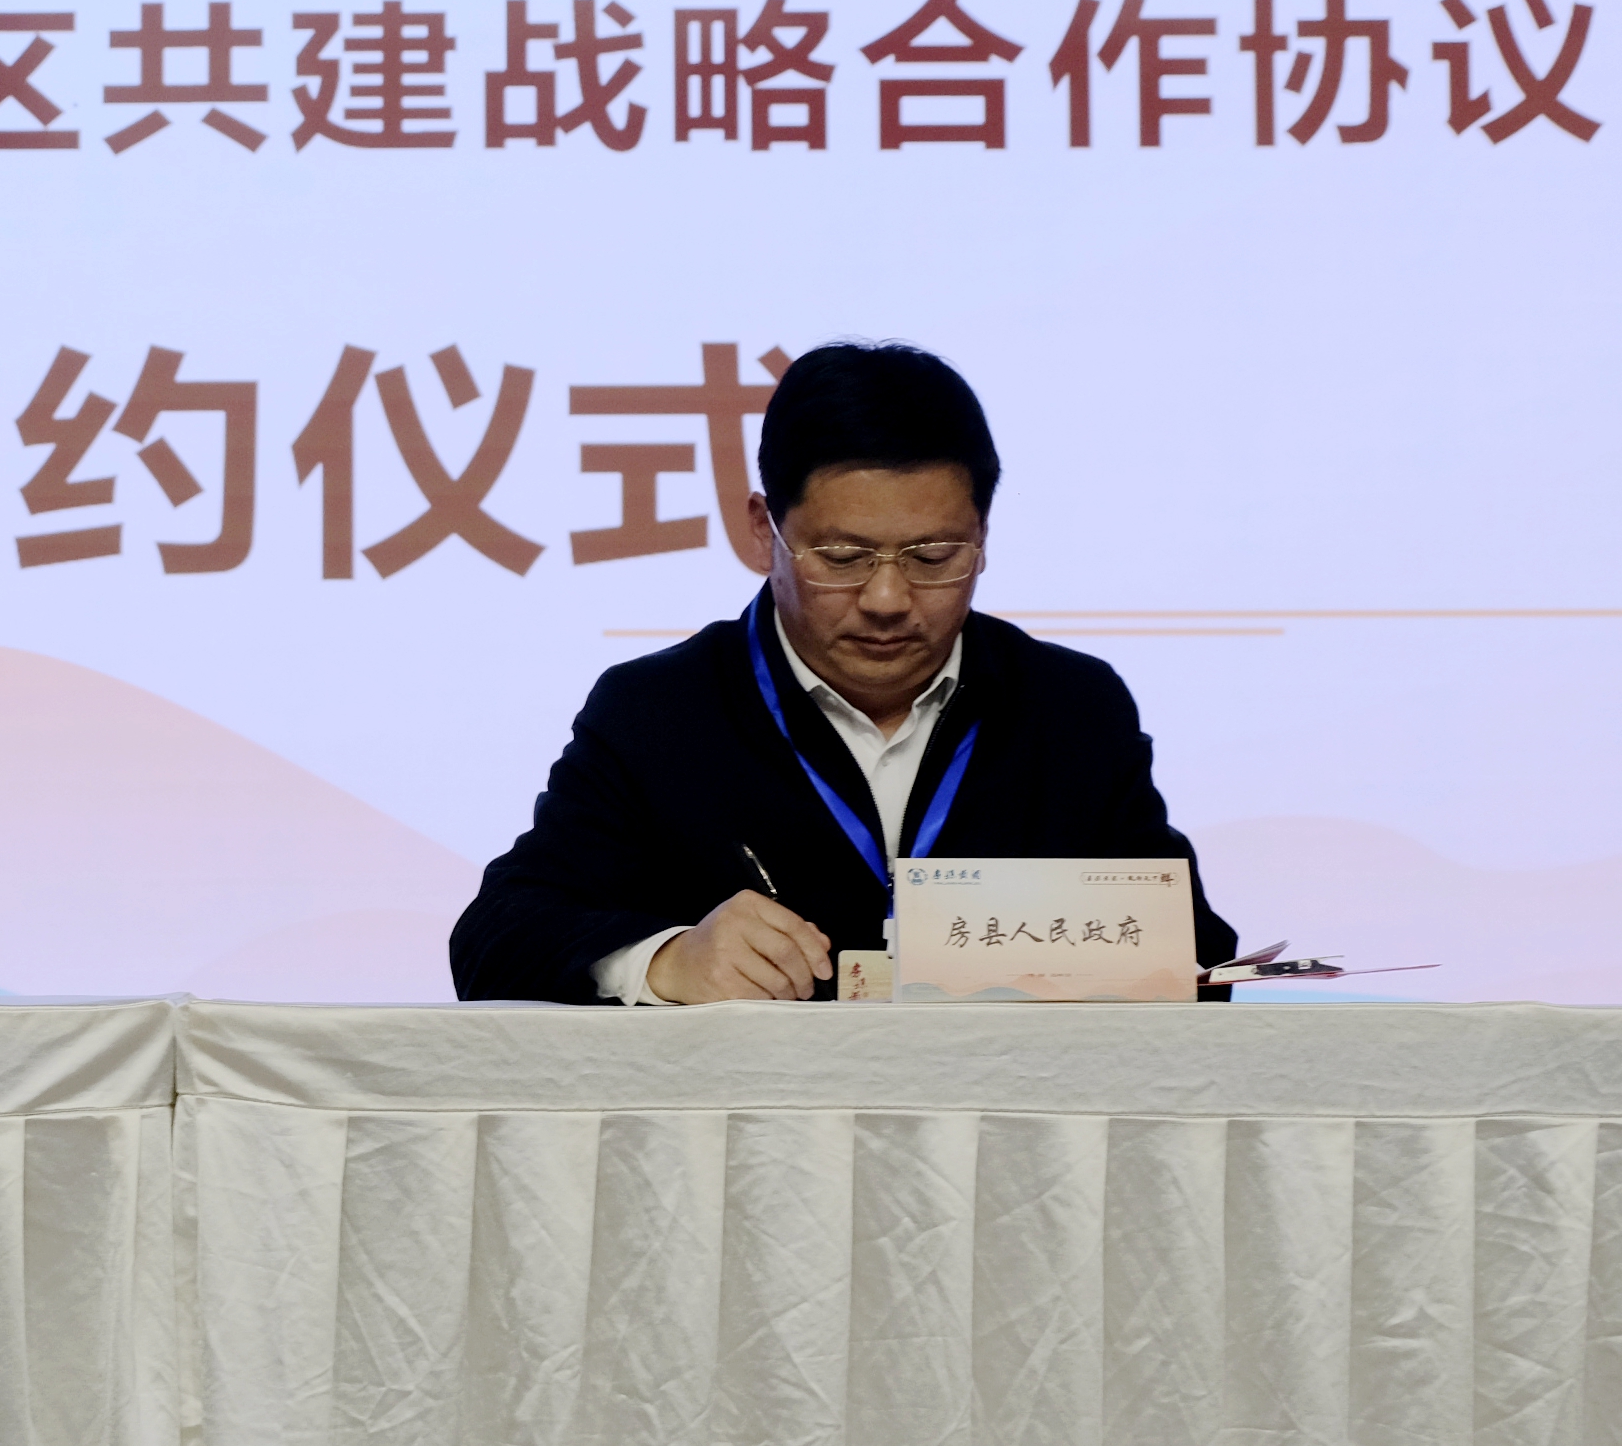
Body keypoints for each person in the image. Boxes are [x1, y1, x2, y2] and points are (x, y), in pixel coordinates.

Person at [449, 341, 1233, 1004]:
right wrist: (666, 960)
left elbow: (1200, 960)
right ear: (765, 532)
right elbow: (496, 938)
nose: (888, 600)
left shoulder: (1070, 709)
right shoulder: (659, 712)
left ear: (983, 536)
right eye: (844, 557)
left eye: (934, 557)